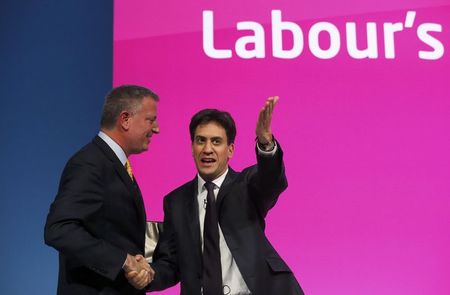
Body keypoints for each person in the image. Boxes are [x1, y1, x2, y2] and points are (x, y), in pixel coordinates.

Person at [146, 96, 304, 294]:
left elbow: (271, 180)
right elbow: (171, 263)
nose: (207, 149)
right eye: (200, 141)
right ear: (192, 147)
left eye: (216, 141)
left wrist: (265, 143)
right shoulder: (175, 201)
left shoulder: (246, 185)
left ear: (230, 150)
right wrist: (146, 274)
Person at [44, 85, 159, 294]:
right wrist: (124, 261)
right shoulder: (90, 164)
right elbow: (59, 229)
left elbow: (114, 232)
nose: (156, 128)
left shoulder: (111, 163)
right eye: (150, 120)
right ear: (125, 119)